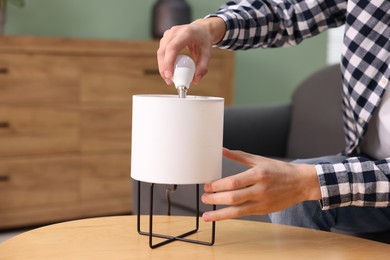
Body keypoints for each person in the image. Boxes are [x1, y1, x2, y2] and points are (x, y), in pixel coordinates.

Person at [157, 0, 390, 235]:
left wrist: (312, 181)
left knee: (301, 184)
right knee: (297, 198)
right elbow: (285, 10)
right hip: (369, 165)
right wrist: (211, 27)